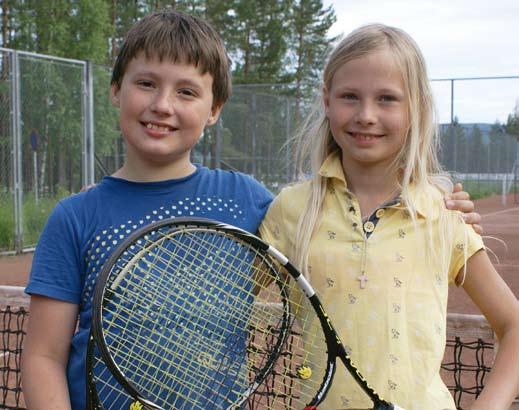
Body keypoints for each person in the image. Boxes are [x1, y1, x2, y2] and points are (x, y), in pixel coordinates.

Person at [20, 10, 481, 410]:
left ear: (214, 109)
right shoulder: (75, 216)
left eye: (186, 92)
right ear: (116, 91)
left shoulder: (250, 202)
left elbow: (331, 227)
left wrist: (441, 199)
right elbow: (43, 356)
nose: (162, 105)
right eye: (146, 84)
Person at [259, 24, 519, 410]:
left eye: (386, 99)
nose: (366, 115)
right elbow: (225, 306)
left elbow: (513, 324)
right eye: (350, 96)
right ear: (326, 100)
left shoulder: (444, 214)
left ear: (416, 109)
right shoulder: (291, 209)